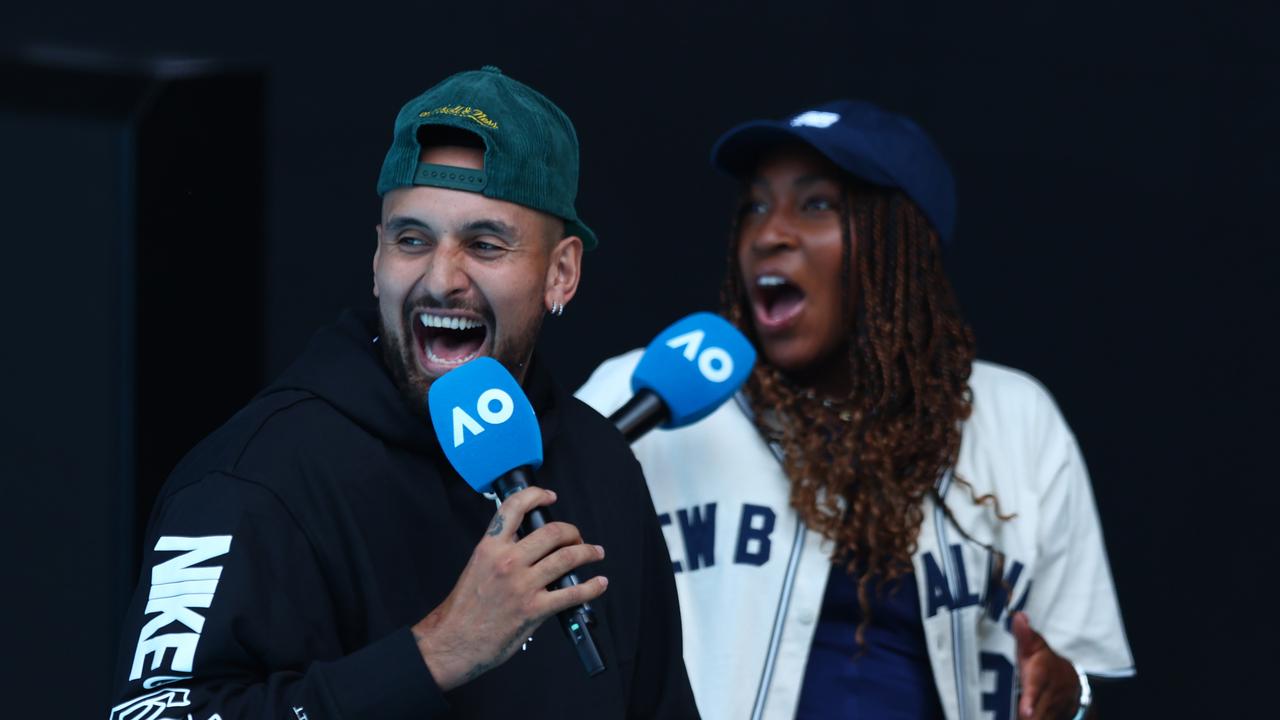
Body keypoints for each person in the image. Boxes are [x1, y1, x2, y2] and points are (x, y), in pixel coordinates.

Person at [109, 66, 698, 719]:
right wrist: (433, 654)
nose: (442, 280)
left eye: (485, 243)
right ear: (376, 261)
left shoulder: (601, 462)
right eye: (412, 239)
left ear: (561, 274)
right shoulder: (253, 477)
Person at [577, 100, 1134, 720]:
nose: (769, 234)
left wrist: (1070, 691)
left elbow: (1077, 669)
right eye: (756, 206)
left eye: (817, 205)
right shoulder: (646, 391)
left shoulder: (1017, 420)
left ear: (901, 245)